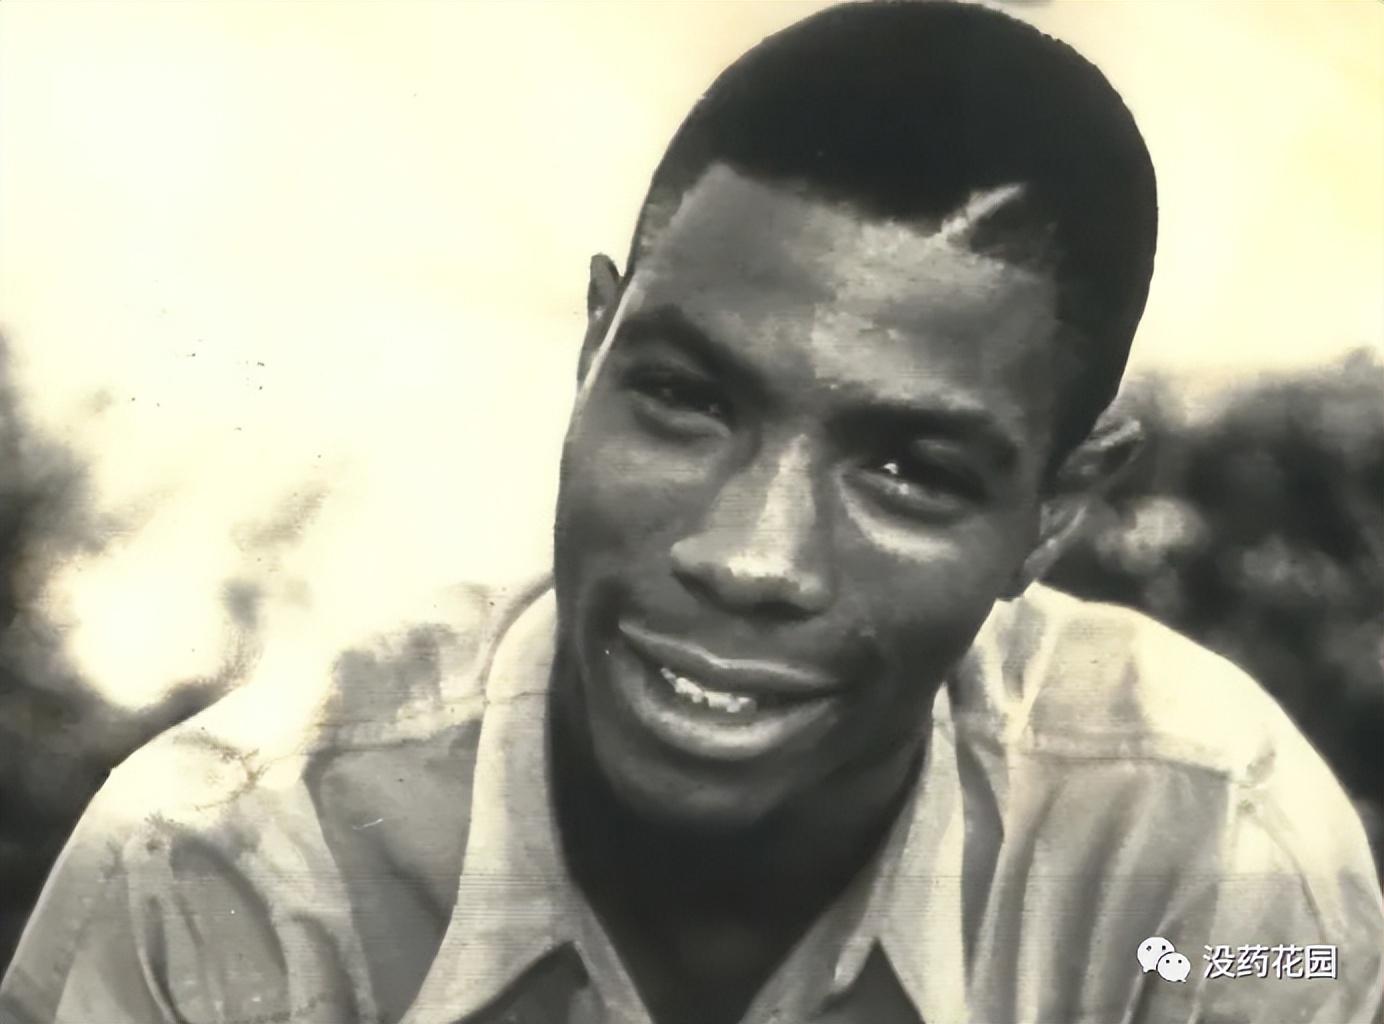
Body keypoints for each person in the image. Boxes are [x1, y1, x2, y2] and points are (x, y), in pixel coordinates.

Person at [3, 3, 1381, 1022]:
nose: (749, 556)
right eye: (681, 397)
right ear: (593, 347)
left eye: (910, 471)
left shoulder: (1208, 869)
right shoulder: (220, 877)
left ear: (1054, 513)